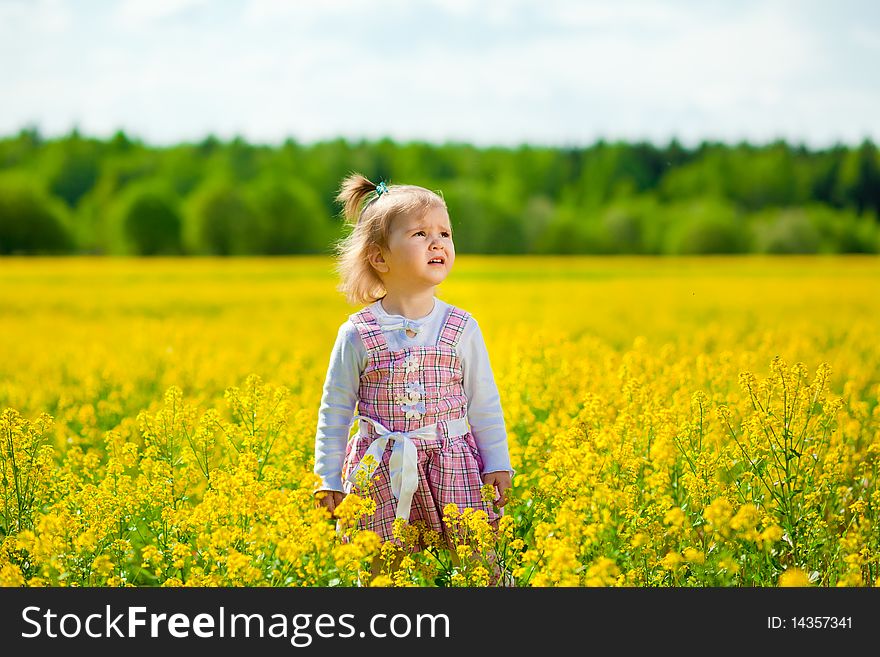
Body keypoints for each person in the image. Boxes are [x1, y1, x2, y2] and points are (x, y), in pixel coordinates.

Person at [312, 172, 514, 560]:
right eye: (420, 234)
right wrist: (328, 477)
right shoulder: (357, 333)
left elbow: (484, 403)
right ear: (379, 257)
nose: (437, 242)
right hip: (380, 470)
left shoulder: (461, 327)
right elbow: (335, 410)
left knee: (477, 564)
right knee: (380, 569)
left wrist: (498, 462)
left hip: (453, 465)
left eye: (445, 234)